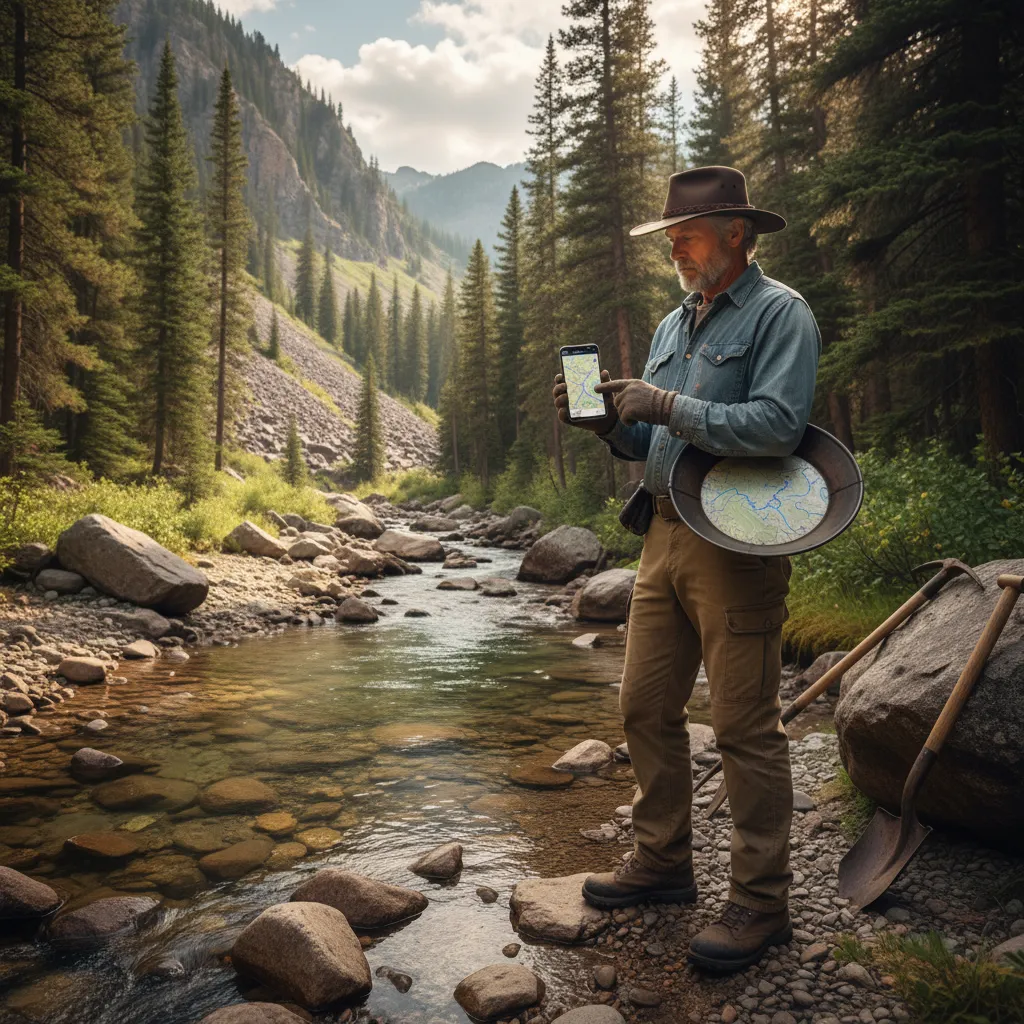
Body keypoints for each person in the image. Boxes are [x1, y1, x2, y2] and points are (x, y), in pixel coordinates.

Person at [552, 165, 820, 973]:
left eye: (689, 233)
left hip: (738, 544)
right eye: (669, 236)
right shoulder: (677, 323)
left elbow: (776, 425)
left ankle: (761, 903)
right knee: (642, 707)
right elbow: (653, 440)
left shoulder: (781, 314)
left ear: (737, 233)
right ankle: (663, 863)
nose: (675, 245)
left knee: (743, 725)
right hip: (662, 534)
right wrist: (608, 424)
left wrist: (664, 404)